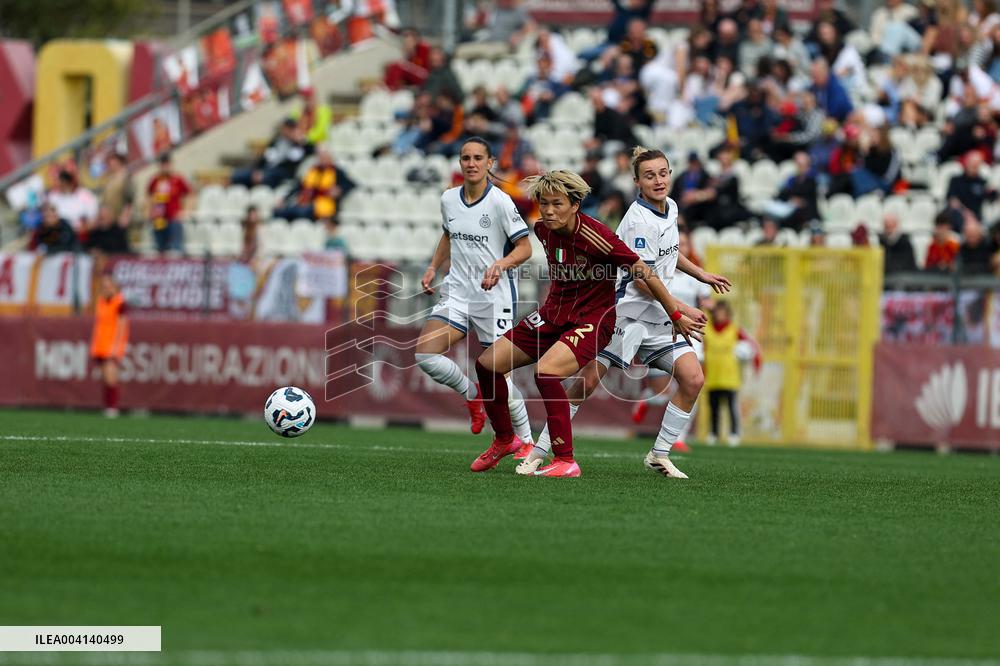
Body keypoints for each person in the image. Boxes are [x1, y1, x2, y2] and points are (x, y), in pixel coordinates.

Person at [473, 169, 706, 478]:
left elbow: (645, 273)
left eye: (557, 204)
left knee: (548, 373)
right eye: (544, 204)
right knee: (486, 364)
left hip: (594, 319)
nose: (549, 211)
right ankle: (505, 439)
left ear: (575, 205)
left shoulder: (599, 236)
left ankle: (565, 459)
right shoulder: (542, 229)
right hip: (553, 314)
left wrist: (676, 314)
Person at [523, 150, 730, 477]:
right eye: (649, 175)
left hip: (658, 316)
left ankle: (659, 454)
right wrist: (681, 308)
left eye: (663, 173)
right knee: (586, 384)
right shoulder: (637, 221)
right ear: (637, 181)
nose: (658, 180)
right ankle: (538, 451)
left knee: (693, 379)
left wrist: (700, 274)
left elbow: (669, 252)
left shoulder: (671, 207)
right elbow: (641, 277)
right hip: (626, 313)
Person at [415, 137, 535, 449]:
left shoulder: (500, 202)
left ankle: (525, 441)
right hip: (457, 291)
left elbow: (525, 248)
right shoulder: (449, 199)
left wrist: (500, 265)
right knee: (425, 355)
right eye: (466, 158)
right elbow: (448, 235)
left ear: (490, 163)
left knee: (500, 376)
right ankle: (473, 395)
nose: (471, 163)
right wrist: (433, 267)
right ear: (460, 162)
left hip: (493, 297)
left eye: (478, 158)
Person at [704, 300, 759, 446]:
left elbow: (752, 346)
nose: (720, 315)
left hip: (730, 377)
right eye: (717, 312)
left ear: (728, 314)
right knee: (713, 408)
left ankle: (734, 433)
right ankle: (713, 433)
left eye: (723, 312)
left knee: (732, 408)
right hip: (713, 377)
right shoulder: (707, 330)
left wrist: (755, 363)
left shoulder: (734, 330)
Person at [273, 150, 355, 220]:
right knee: (279, 212)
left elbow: (350, 184)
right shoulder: (313, 171)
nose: (323, 160)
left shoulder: (336, 172)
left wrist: (340, 190)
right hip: (305, 202)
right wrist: (284, 199)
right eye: (321, 158)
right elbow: (299, 187)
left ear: (330, 159)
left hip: (321, 205)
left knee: (302, 213)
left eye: (325, 158)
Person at [90, 274, 129, 418]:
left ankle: (112, 408)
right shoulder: (101, 301)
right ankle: (108, 407)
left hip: (111, 346)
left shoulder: (120, 303)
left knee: (111, 377)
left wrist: (116, 347)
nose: (105, 288)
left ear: (114, 286)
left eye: (108, 285)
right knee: (105, 378)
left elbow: (121, 327)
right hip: (101, 344)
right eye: (104, 286)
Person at [146, 153, 191, 255]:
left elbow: (190, 195)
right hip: (159, 219)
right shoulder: (155, 180)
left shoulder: (177, 179)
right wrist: (149, 210)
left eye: (166, 164)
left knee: (175, 248)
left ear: (170, 164)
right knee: (159, 247)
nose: (164, 167)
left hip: (173, 218)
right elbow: (148, 196)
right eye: (162, 164)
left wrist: (185, 211)